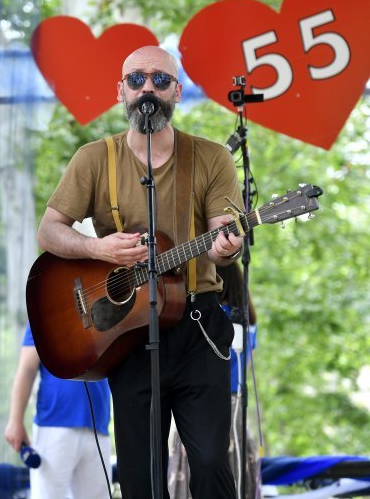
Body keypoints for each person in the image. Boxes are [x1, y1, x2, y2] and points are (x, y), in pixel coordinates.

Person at [36, 45, 243, 498]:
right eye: (136, 80)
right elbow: (49, 232)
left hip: (197, 327)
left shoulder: (211, 158)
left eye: (160, 80)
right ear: (121, 92)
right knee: (140, 475)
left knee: (209, 461)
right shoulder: (94, 158)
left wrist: (227, 246)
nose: (147, 88)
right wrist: (97, 248)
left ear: (177, 92)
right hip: (125, 334)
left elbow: (221, 243)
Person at [168, 262, 261, 499]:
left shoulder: (207, 318)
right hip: (237, 407)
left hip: (202, 404)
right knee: (236, 477)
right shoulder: (247, 322)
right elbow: (244, 364)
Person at [5, 323, 112, 499]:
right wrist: (15, 420)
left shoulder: (103, 311)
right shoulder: (43, 313)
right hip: (54, 425)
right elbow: (27, 368)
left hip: (98, 427)